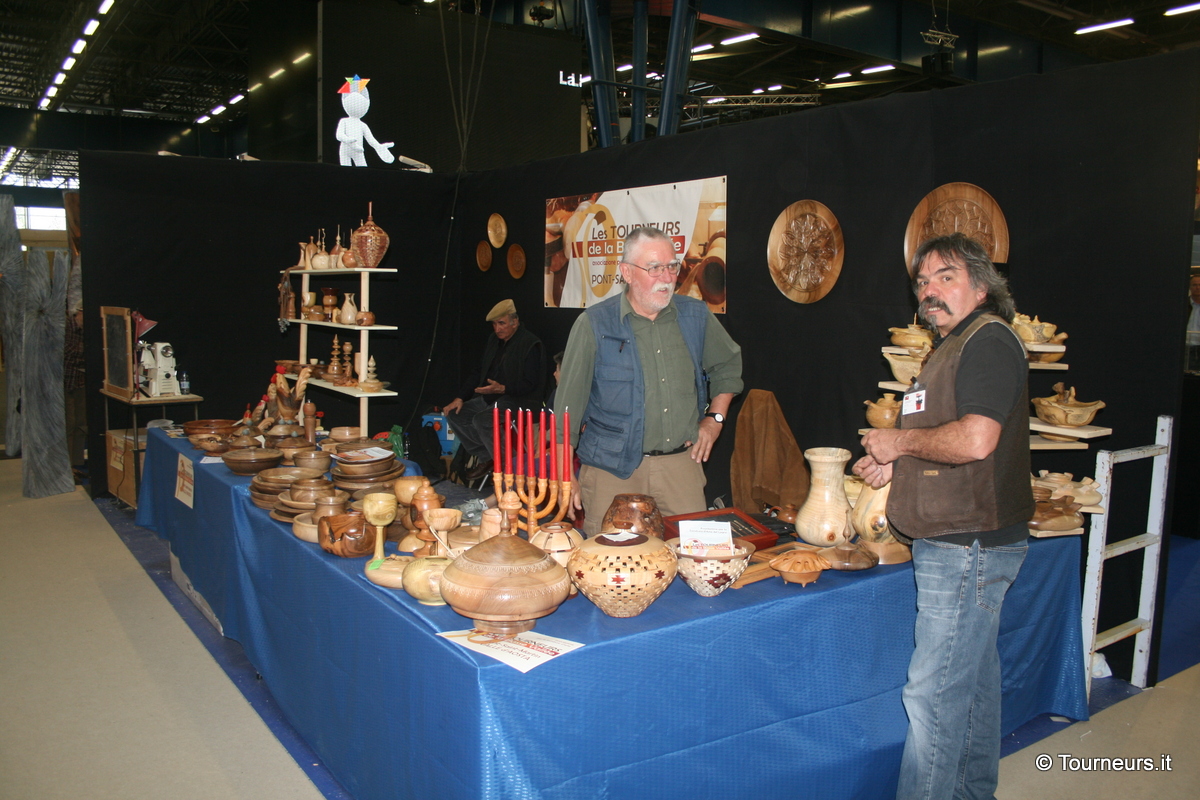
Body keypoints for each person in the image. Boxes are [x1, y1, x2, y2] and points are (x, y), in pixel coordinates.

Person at [853, 232, 1033, 800]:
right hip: (962, 542)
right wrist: (895, 462)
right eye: (923, 282)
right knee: (972, 689)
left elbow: (977, 440)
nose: (930, 290)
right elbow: (946, 437)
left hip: (967, 547)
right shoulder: (954, 345)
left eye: (946, 277)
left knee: (932, 697)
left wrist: (899, 444)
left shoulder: (987, 341)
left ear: (981, 287)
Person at [556, 226, 743, 536]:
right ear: (627, 272)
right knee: (611, 559)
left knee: (692, 554)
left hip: (680, 467)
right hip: (612, 471)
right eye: (654, 268)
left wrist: (715, 419)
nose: (667, 277)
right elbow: (568, 410)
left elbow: (728, 365)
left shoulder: (695, 316)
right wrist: (564, 473)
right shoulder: (594, 324)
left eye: (671, 266)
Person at [444, 299, 545, 478]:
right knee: (454, 413)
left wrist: (503, 389)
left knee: (483, 419)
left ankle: (509, 465)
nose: (497, 329)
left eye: (502, 323)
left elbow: (531, 384)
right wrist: (460, 397)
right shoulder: (493, 341)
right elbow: (478, 371)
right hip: (493, 398)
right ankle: (489, 457)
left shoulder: (530, 344)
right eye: (494, 324)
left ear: (515, 322)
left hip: (521, 401)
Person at [1185, 274, 1200, 373]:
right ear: (1189, 287)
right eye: (1194, 285)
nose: (1197, 287)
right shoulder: (1182, 304)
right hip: (1185, 348)